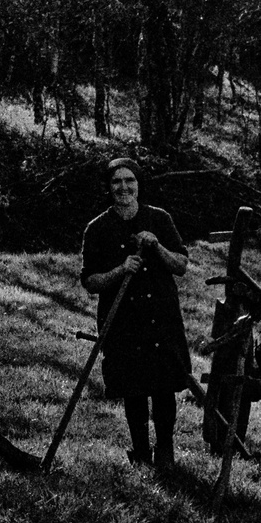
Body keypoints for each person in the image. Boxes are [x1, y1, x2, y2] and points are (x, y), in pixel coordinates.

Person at [80, 157, 190, 469]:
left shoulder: (159, 219)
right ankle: (141, 454)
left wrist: (157, 248)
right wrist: (120, 270)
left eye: (129, 180)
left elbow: (181, 266)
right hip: (124, 322)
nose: (124, 187)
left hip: (161, 317)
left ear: (138, 185)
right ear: (108, 187)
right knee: (134, 390)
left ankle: (165, 451)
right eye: (117, 182)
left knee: (164, 387)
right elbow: (90, 281)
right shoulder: (97, 229)